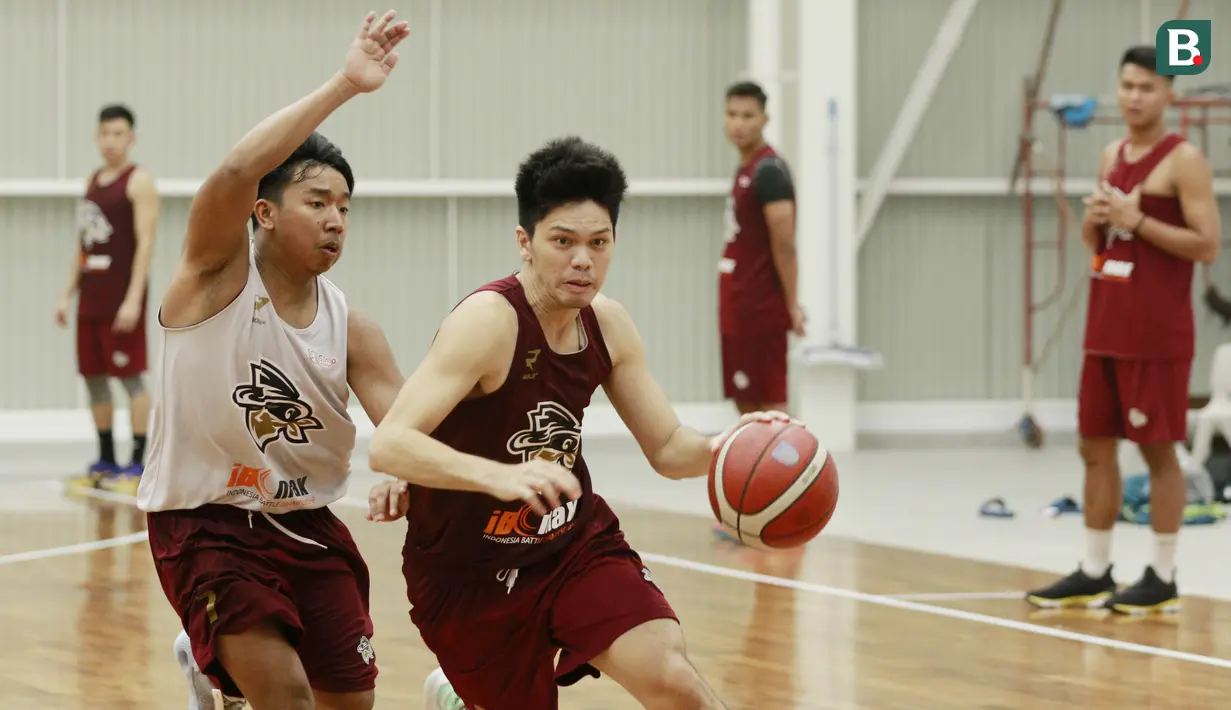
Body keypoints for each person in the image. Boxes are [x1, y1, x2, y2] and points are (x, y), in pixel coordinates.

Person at [366, 135, 792, 710]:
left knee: (674, 680)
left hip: (570, 545)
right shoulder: (489, 322)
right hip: (468, 572)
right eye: (562, 242)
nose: (583, 260)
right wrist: (500, 477)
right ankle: (455, 693)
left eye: (599, 242)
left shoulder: (608, 326)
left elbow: (667, 447)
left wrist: (733, 447)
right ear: (526, 242)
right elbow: (390, 444)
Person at [135, 10, 409, 710]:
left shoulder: (354, 328)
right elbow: (234, 167)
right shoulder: (212, 278)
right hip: (206, 521)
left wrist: (408, 474)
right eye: (317, 200)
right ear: (263, 212)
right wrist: (345, 84)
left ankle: (209, 673)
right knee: (284, 697)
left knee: (349, 703)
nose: (335, 219)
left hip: (307, 522)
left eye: (345, 206)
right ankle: (221, 662)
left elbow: (410, 429)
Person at [1025, 46, 1221, 615]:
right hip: (1105, 324)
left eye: (1147, 87)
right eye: (1127, 85)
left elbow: (1206, 244)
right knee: (1094, 447)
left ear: (1170, 94)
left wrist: (1140, 220)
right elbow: (1102, 245)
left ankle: (1162, 576)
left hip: (1155, 331)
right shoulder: (1112, 153)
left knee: (1158, 452)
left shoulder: (1184, 160)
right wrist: (1097, 221)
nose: (1135, 96)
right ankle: (1094, 568)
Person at [56, 104, 160, 494]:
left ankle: (135, 465)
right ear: (96, 137)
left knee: (131, 379)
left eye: (118, 133)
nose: (110, 140)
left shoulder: (139, 182)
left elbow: (146, 244)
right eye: (104, 133)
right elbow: (83, 244)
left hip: (121, 300)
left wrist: (134, 299)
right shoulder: (93, 181)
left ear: (131, 138)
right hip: (91, 299)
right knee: (94, 379)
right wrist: (66, 294)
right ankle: (104, 460)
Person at [719, 81, 804, 418]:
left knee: (771, 408)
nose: (739, 123)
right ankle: (752, 471)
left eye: (748, 115)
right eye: (732, 114)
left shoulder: (769, 171)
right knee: (745, 404)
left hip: (759, 306)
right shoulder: (746, 167)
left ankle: (790, 469)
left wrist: (792, 304)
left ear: (764, 119)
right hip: (738, 302)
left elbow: (785, 245)